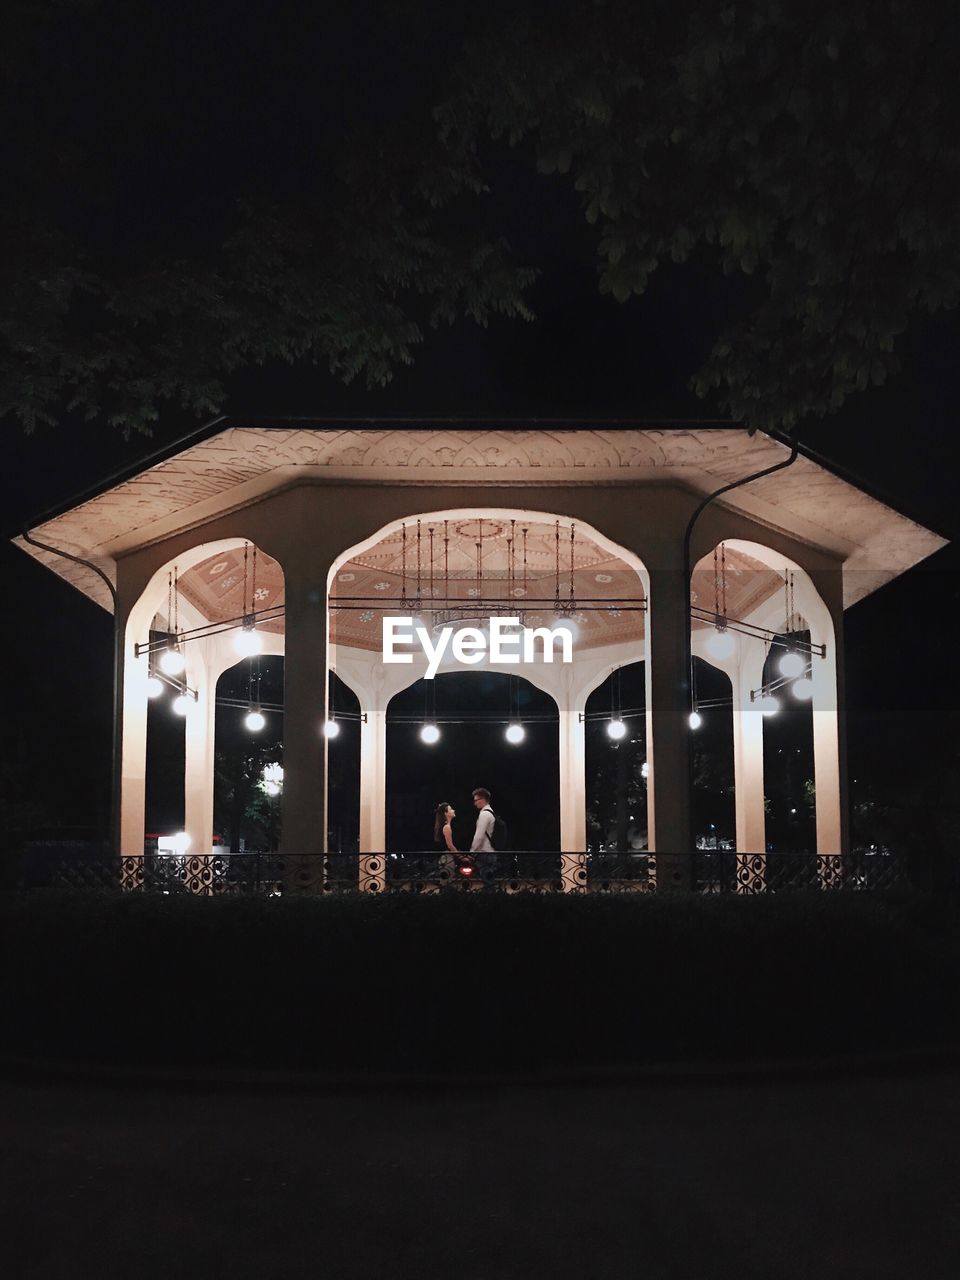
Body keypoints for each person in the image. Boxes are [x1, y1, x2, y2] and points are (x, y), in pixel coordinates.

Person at [471, 787, 497, 883]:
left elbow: (479, 836)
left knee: (487, 882)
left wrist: (472, 852)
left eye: (476, 800)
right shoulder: (491, 812)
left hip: (485, 853)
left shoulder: (484, 814)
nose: (475, 803)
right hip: (491, 852)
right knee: (490, 881)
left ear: (483, 799)